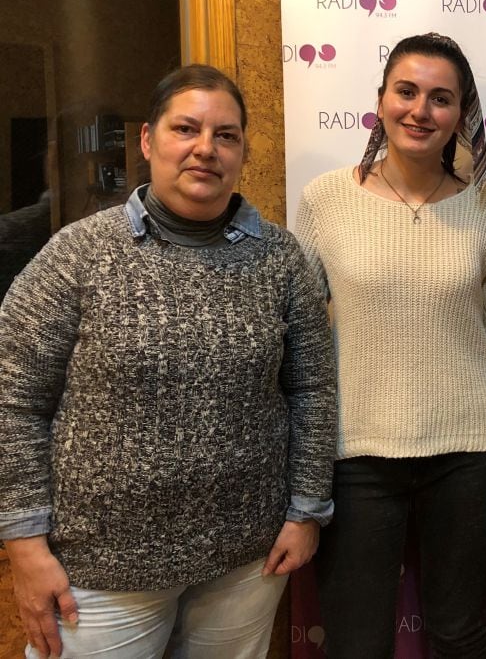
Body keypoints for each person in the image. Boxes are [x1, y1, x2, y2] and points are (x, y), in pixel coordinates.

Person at [0, 64, 337, 659]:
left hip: (245, 559)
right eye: (186, 129)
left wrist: (307, 509)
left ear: (243, 151)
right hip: (102, 568)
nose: (205, 149)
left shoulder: (283, 260)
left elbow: (312, 391)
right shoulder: (77, 255)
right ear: (149, 140)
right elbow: (14, 402)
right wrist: (24, 544)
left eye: (226, 135)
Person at [295, 32, 486, 659]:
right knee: (356, 640)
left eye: (441, 98)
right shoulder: (325, 200)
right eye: (407, 92)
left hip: (470, 451)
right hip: (359, 451)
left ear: (460, 116)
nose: (421, 110)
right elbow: (304, 337)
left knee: (459, 632)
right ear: (381, 101)